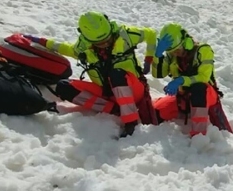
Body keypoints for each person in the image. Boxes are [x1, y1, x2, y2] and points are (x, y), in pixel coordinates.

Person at [24, 11, 156, 137]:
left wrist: (148, 60)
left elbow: (151, 34)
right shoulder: (84, 47)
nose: (105, 44)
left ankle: (130, 122)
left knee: (117, 74)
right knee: (63, 86)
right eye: (99, 43)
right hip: (107, 93)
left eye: (107, 39)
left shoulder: (128, 35)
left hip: (133, 90)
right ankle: (114, 109)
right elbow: (66, 48)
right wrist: (41, 41)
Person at [151, 23, 231, 136]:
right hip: (183, 96)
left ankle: (198, 135)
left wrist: (181, 80)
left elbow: (203, 77)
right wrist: (157, 55)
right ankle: (187, 110)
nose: (175, 53)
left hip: (206, 94)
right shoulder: (171, 55)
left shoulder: (203, 50)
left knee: (198, 89)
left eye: (177, 49)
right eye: (172, 51)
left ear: (186, 41)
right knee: (155, 113)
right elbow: (158, 74)